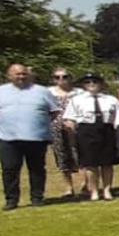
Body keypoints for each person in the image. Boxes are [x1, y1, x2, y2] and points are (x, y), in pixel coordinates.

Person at [0, 65, 61, 210]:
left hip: (36, 137)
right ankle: (11, 200)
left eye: (23, 74)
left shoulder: (42, 91)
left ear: (28, 75)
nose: (21, 77)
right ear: (9, 76)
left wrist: (39, 123)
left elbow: (54, 112)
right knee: (9, 169)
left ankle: (37, 198)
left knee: (37, 169)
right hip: (8, 138)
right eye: (17, 74)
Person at [63, 73, 119, 201]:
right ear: (83, 85)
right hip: (86, 131)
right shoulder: (76, 100)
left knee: (107, 163)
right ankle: (94, 191)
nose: (92, 84)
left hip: (107, 130)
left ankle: (107, 190)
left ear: (101, 84)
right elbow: (69, 118)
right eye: (88, 82)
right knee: (90, 163)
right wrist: (71, 128)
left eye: (95, 81)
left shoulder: (111, 99)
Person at [45, 67, 82, 198]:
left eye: (64, 76)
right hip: (56, 127)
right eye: (57, 77)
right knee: (62, 156)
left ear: (70, 78)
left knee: (80, 154)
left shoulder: (79, 92)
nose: (61, 80)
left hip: (77, 126)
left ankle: (86, 183)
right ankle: (69, 187)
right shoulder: (49, 92)